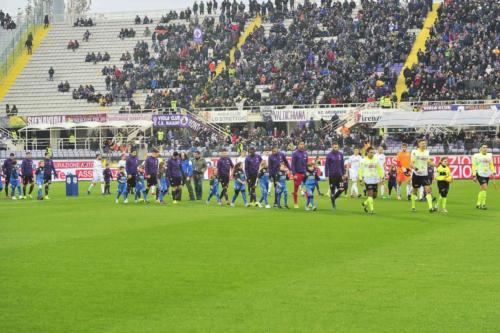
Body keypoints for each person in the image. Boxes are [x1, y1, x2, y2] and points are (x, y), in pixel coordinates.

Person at [410, 139, 436, 213]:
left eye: (425, 143)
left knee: (428, 189)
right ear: (418, 144)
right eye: (422, 143)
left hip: (425, 174)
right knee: (415, 190)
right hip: (416, 174)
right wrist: (416, 168)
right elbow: (411, 164)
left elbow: (427, 162)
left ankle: (430, 207)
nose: (424, 145)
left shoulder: (427, 152)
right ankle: (413, 206)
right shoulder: (414, 152)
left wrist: (433, 164)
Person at [359, 147, 384, 214]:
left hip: (375, 179)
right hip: (367, 179)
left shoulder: (376, 160)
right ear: (367, 152)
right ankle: (372, 210)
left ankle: (365, 203)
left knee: (374, 196)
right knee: (370, 194)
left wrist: (382, 177)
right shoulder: (363, 160)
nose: (372, 154)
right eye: (371, 152)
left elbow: (379, 169)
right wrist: (361, 179)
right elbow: (360, 170)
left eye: (373, 152)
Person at [472, 144, 496, 210]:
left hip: (487, 174)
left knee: (482, 188)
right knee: (485, 187)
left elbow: (491, 164)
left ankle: (478, 203)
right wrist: (474, 175)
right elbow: (474, 165)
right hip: (479, 173)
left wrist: (493, 171)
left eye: (486, 147)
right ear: (481, 149)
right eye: (484, 147)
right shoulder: (477, 156)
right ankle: (483, 204)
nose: (485, 148)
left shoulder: (489, 156)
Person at [325, 142, 346, 210]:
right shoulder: (329, 155)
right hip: (332, 176)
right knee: (333, 190)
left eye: (337, 147)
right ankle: (333, 205)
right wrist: (326, 175)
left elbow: (342, 165)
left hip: (339, 175)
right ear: (332, 147)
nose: (336, 148)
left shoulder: (340, 154)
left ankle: (333, 198)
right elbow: (326, 165)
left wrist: (343, 173)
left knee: (342, 188)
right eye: (335, 147)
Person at [291, 142, 308, 208]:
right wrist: (294, 174)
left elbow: (306, 164)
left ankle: (308, 203)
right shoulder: (295, 153)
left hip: (304, 174)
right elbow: (293, 165)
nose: (302, 145)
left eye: (303, 144)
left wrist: (307, 172)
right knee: (296, 190)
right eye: (301, 144)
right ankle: (295, 203)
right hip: (297, 174)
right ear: (298, 145)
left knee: (307, 188)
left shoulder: (305, 153)